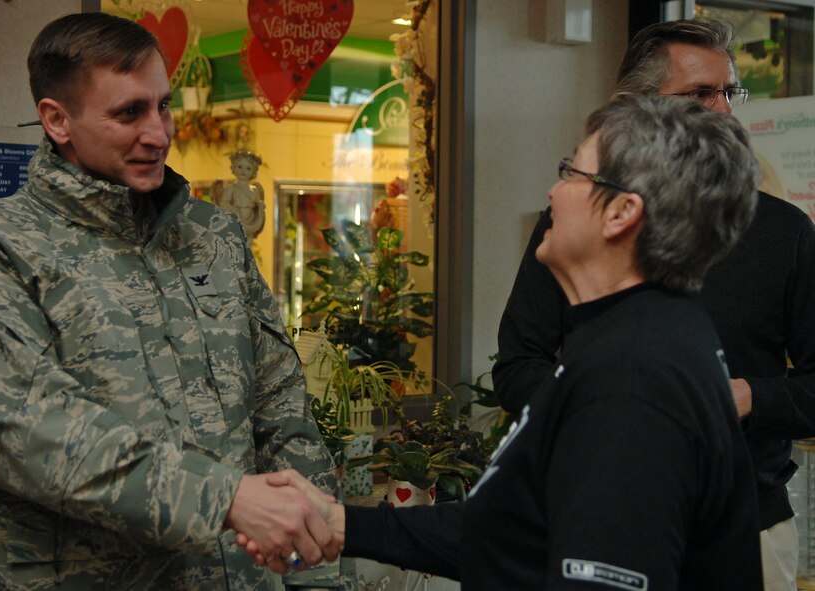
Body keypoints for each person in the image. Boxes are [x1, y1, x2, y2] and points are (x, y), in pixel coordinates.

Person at [240, 95, 764, 589]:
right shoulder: (638, 336)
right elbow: (514, 531)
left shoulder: (630, 380)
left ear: (621, 212)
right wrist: (340, 525)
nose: (553, 192)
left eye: (572, 173)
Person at [0, 12, 338, 590]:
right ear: (57, 120)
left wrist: (314, 565)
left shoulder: (214, 236)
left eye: (163, 105)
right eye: (129, 113)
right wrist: (225, 498)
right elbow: (35, 434)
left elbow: (282, 409)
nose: (159, 133)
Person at [493, 18, 815, 591]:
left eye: (728, 92)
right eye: (698, 95)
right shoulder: (575, 220)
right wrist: (602, 423)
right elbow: (519, 364)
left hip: (748, 530)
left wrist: (748, 396)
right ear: (640, 112)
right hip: (594, 515)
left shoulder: (784, 232)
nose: (723, 111)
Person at [214, 150, 266, 243]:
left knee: (248, 243)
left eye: (248, 168)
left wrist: (260, 206)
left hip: (250, 220)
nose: (243, 171)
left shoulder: (254, 190)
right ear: (234, 168)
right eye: (240, 167)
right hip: (237, 218)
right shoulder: (232, 188)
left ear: (253, 172)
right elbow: (223, 202)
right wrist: (232, 209)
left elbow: (258, 205)